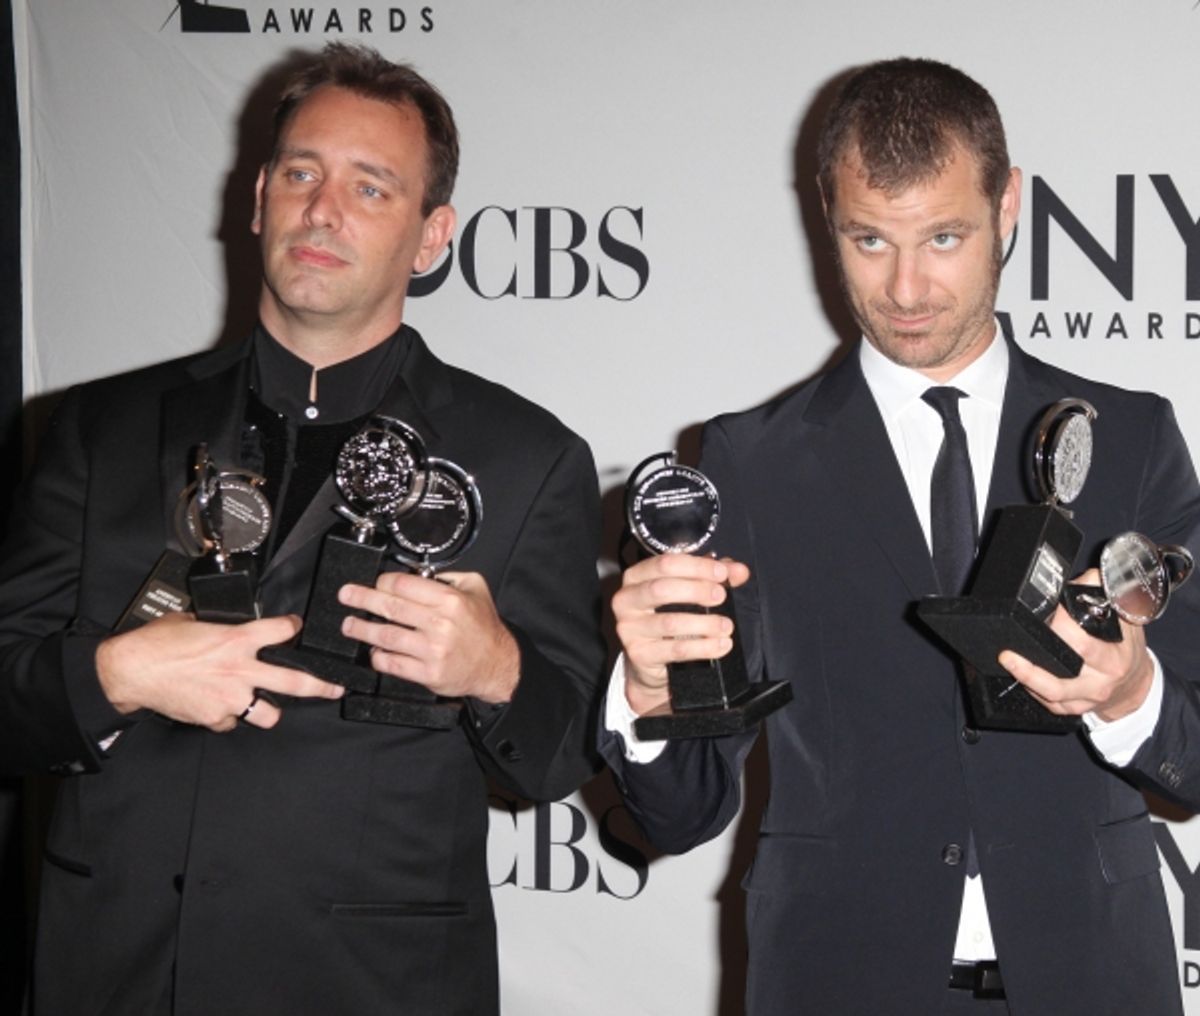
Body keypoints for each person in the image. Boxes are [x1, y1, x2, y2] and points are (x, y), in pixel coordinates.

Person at [0, 43, 606, 1016]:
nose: (324, 210)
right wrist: (116, 673)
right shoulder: (97, 427)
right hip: (113, 974)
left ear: (431, 235)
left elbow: (565, 752)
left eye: (372, 188)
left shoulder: (526, 458)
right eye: (302, 173)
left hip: (374, 987)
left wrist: (500, 670)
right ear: (256, 200)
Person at [601, 57, 1200, 1015]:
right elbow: (679, 811)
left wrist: (1132, 694)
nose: (908, 287)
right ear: (825, 218)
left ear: (1010, 204)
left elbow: (1195, 753)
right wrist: (641, 695)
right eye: (868, 239)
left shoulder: (1130, 439)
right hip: (838, 980)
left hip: (1095, 979)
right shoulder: (745, 465)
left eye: (946, 237)